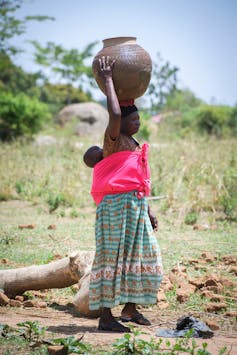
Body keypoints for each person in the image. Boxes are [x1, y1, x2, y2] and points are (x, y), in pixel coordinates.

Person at [86, 56, 163, 332]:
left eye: (139, 119)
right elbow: (115, 115)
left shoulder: (132, 143)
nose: (137, 123)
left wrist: (149, 211)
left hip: (135, 206)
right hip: (115, 207)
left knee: (140, 255)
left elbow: (137, 180)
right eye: (134, 120)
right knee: (111, 257)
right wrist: (108, 79)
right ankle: (105, 317)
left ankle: (130, 309)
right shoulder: (115, 139)